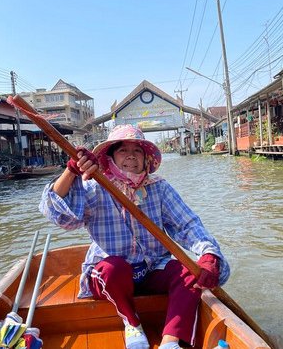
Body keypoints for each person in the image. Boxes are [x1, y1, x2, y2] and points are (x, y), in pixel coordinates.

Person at [39, 125, 230, 349]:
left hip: (152, 269)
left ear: (145, 158)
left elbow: (187, 225)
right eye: (122, 150)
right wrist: (72, 171)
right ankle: (132, 322)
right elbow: (59, 215)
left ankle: (170, 341)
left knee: (190, 272)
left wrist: (208, 253)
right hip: (113, 277)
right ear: (109, 158)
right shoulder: (95, 186)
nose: (131, 155)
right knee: (113, 269)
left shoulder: (159, 187)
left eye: (137, 151)